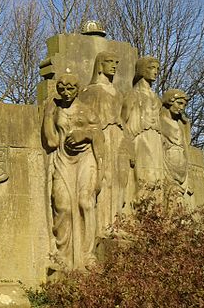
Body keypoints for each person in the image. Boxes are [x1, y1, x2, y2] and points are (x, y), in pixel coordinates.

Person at [43, 73, 104, 272]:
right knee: (62, 206)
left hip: (85, 159)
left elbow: (99, 137)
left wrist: (84, 133)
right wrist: (47, 115)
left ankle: (88, 256)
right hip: (62, 159)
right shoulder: (55, 110)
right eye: (63, 90)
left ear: (78, 89)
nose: (67, 93)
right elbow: (51, 141)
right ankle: (62, 256)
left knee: (85, 203)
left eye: (71, 89)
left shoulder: (87, 111)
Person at [79, 52, 127, 236]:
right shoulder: (91, 91)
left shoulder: (118, 92)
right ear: (100, 65)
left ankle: (116, 223)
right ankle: (103, 226)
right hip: (101, 137)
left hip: (117, 137)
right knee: (103, 178)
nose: (114, 66)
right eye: (109, 62)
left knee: (117, 180)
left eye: (116, 62)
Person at [122, 56, 164, 203]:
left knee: (158, 183)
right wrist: (128, 148)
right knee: (146, 182)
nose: (155, 72)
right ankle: (142, 222)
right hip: (140, 140)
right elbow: (123, 122)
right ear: (141, 70)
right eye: (151, 68)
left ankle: (155, 222)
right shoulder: (132, 95)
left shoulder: (157, 99)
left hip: (156, 142)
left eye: (157, 69)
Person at [160, 89, 193, 205]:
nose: (182, 108)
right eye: (179, 103)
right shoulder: (159, 120)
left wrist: (186, 124)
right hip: (167, 165)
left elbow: (186, 144)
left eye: (184, 105)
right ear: (170, 101)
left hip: (181, 169)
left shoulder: (180, 124)